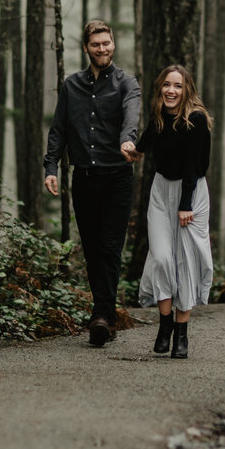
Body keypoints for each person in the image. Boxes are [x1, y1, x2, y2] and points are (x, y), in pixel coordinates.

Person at [44, 20, 141, 347]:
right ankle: (107, 315)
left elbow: (131, 115)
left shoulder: (127, 83)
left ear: (113, 44)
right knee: (93, 249)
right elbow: (58, 129)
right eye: (96, 44)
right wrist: (51, 166)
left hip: (117, 177)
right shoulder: (72, 86)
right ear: (86, 48)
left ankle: (101, 316)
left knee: (111, 247)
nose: (103, 48)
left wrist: (128, 140)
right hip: (84, 179)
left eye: (107, 43)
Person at [127, 64, 214, 359]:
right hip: (161, 192)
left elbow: (192, 165)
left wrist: (186, 204)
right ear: (160, 88)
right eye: (167, 85)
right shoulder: (160, 115)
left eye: (177, 85)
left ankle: (181, 334)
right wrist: (133, 150)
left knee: (186, 263)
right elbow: (147, 143)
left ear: (187, 89)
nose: (171, 91)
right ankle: (164, 326)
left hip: (191, 193)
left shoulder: (196, 119)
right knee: (162, 258)